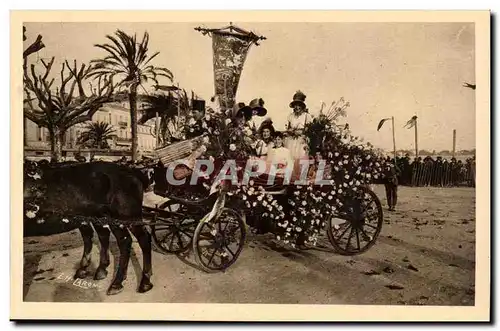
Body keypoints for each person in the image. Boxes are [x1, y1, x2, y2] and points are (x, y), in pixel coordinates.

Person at [284, 91, 313, 160]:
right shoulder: (291, 116)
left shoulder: (306, 116)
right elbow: (288, 128)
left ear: (302, 106)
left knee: (301, 159)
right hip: (291, 141)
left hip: (301, 141)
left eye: (299, 105)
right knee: (290, 159)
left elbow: (309, 131)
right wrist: (290, 131)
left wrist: (302, 132)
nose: (297, 107)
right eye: (295, 105)